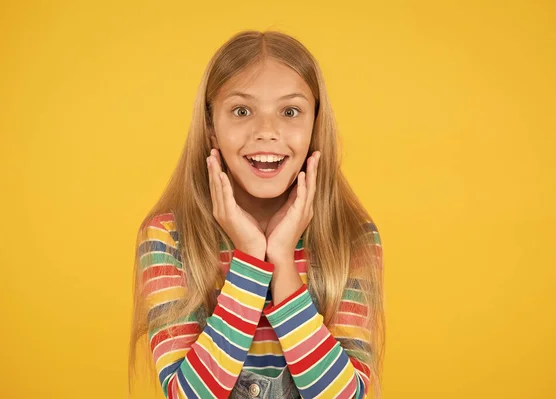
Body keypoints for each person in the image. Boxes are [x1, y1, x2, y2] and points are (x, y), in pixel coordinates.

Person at [128, 30, 385, 399]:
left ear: (315, 126)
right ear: (211, 128)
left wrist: (280, 259)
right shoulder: (169, 237)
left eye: (290, 111)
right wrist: (250, 256)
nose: (266, 132)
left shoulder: (351, 238)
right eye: (242, 111)